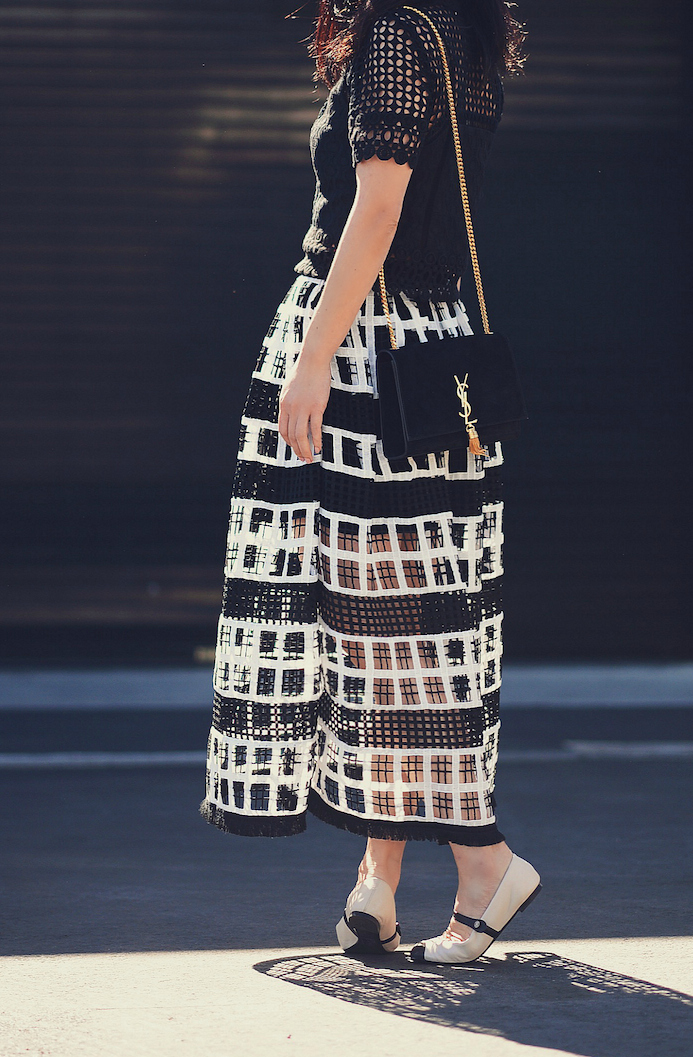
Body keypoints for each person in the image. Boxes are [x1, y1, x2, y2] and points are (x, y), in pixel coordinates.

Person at [200, 0, 541, 965]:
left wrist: (312, 359)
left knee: (372, 621)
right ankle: (377, 884)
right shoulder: (453, 31)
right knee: (390, 617)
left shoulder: (396, 30)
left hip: (365, 357)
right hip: (426, 348)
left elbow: (380, 205)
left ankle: (483, 859)